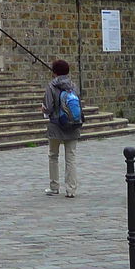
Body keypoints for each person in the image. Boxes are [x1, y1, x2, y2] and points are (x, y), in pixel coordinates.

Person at [41, 59, 81, 198]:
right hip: (73, 124)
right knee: (71, 158)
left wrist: (44, 109)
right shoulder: (73, 85)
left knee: (53, 155)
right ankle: (71, 189)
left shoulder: (51, 86)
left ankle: (54, 186)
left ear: (54, 72)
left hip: (56, 124)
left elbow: (49, 107)